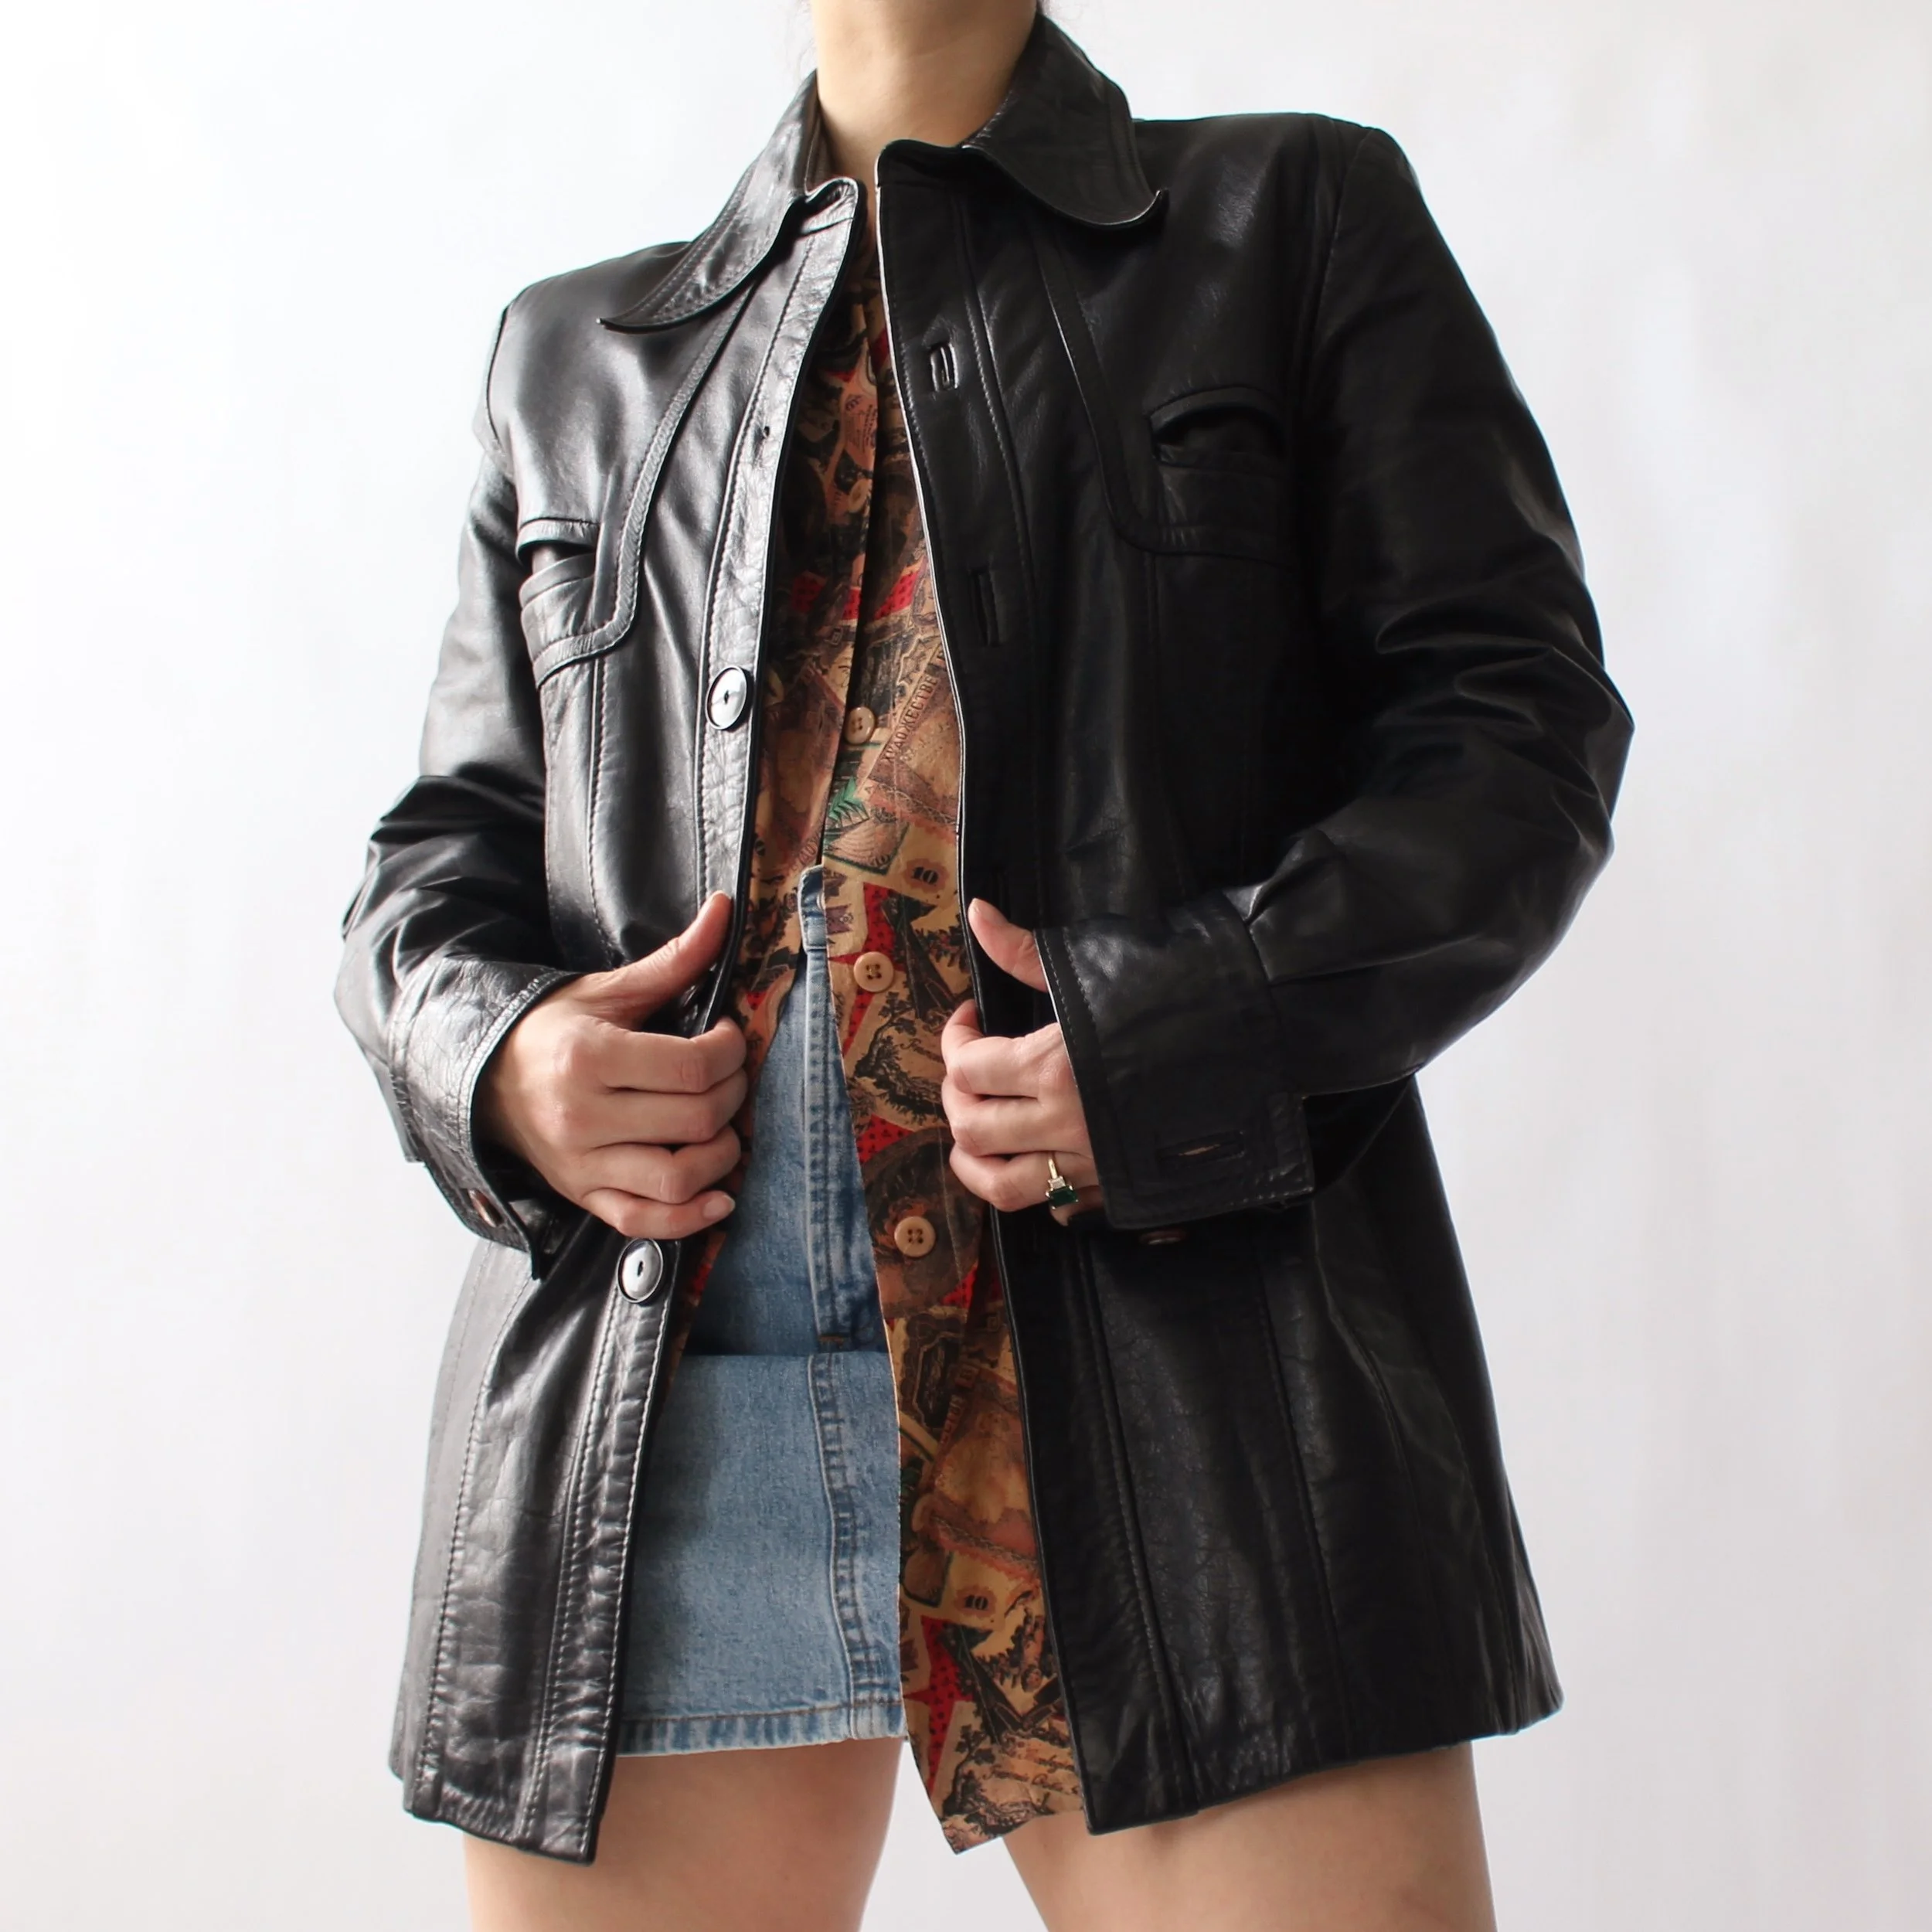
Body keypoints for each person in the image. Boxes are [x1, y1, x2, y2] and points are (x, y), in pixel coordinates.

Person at [336, 2, 1631, 1925]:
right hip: (653, 1412)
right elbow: (437, 857)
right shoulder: (571, 355)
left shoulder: (1286, 219)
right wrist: (503, 1064)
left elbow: (1513, 738)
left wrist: (1182, 1033)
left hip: (1172, 1386)